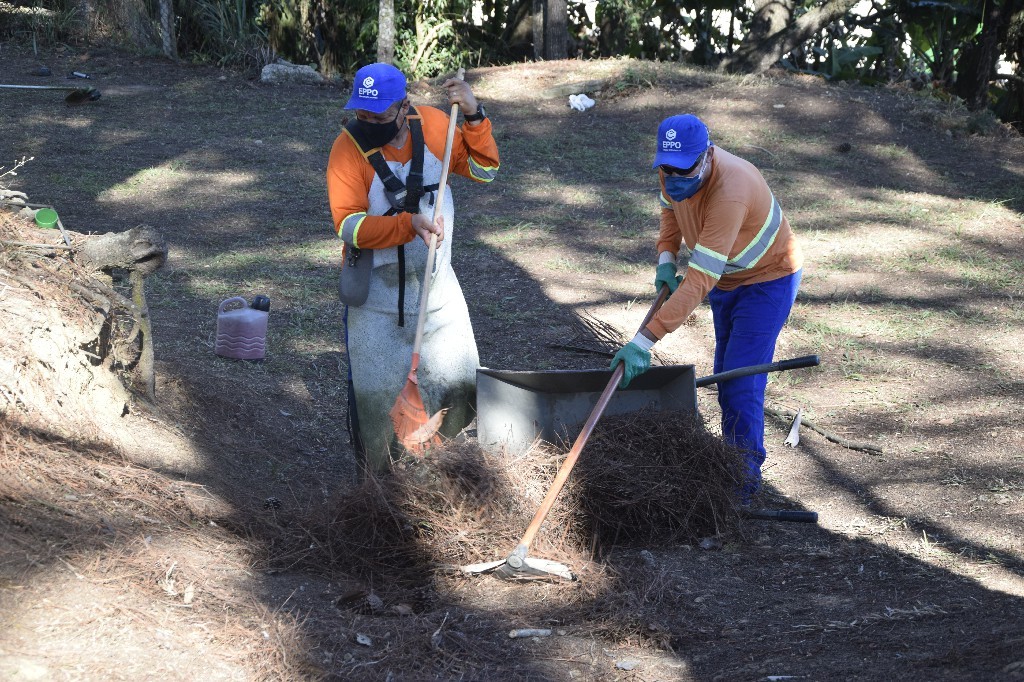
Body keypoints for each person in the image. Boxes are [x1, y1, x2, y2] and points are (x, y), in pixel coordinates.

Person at [610, 114, 803, 501]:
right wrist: (666, 259)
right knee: (725, 375)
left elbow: (699, 280)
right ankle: (734, 466)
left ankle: (743, 486)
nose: (673, 177)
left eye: (684, 170)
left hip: (767, 279)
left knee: (740, 381)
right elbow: (671, 209)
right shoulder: (671, 170)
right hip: (727, 278)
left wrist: (645, 341)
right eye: (666, 168)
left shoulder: (731, 189)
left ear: (708, 156)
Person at [326, 63, 499, 474]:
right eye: (362, 115)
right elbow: (347, 224)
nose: (368, 124)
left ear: (404, 107)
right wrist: (406, 226)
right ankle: (380, 493)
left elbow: (485, 169)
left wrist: (474, 114)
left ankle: (449, 480)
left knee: (459, 391)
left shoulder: (438, 125)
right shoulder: (347, 149)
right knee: (376, 413)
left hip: (438, 296)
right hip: (375, 305)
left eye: (379, 116)